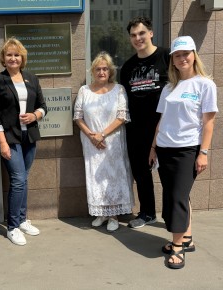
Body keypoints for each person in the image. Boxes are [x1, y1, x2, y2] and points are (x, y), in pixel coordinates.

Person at [149, 36, 217, 269]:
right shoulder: (169, 87)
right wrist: (153, 147)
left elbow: (209, 123)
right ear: (173, 60)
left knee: (177, 196)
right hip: (165, 148)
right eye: (177, 55)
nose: (182, 58)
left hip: (188, 149)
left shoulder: (205, 84)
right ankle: (186, 238)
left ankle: (177, 247)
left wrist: (203, 152)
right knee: (176, 194)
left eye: (186, 53)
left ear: (194, 55)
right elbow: (162, 120)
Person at [0, 37, 47, 246]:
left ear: (22, 58)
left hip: (28, 136)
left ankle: (22, 220)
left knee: (23, 178)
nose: (13, 58)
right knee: (18, 179)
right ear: (3, 58)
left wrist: (35, 116)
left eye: (17, 54)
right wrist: (2, 143)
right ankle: (12, 226)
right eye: (9, 55)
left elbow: (42, 106)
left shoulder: (32, 78)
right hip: (10, 137)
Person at [74, 52, 134, 232]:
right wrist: (93, 136)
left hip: (113, 141)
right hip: (91, 142)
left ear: (110, 71)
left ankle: (114, 215)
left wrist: (102, 135)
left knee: (113, 176)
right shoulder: (84, 90)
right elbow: (78, 117)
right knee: (95, 177)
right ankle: (102, 213)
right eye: (98, 69)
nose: (101, 72)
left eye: (105, 68)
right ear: (93, 71)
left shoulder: (119, 89)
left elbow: (122, 116)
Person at [119, 16, 170, 229]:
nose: (138, 38)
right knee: (141, 172)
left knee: (169, 174)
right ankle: (147, 213)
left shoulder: (167, 56)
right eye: (133, 35)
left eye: (141, 33)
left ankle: (173, 216)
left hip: (165, 126)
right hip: (137, 128)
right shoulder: (128, 67)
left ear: (151, 33)